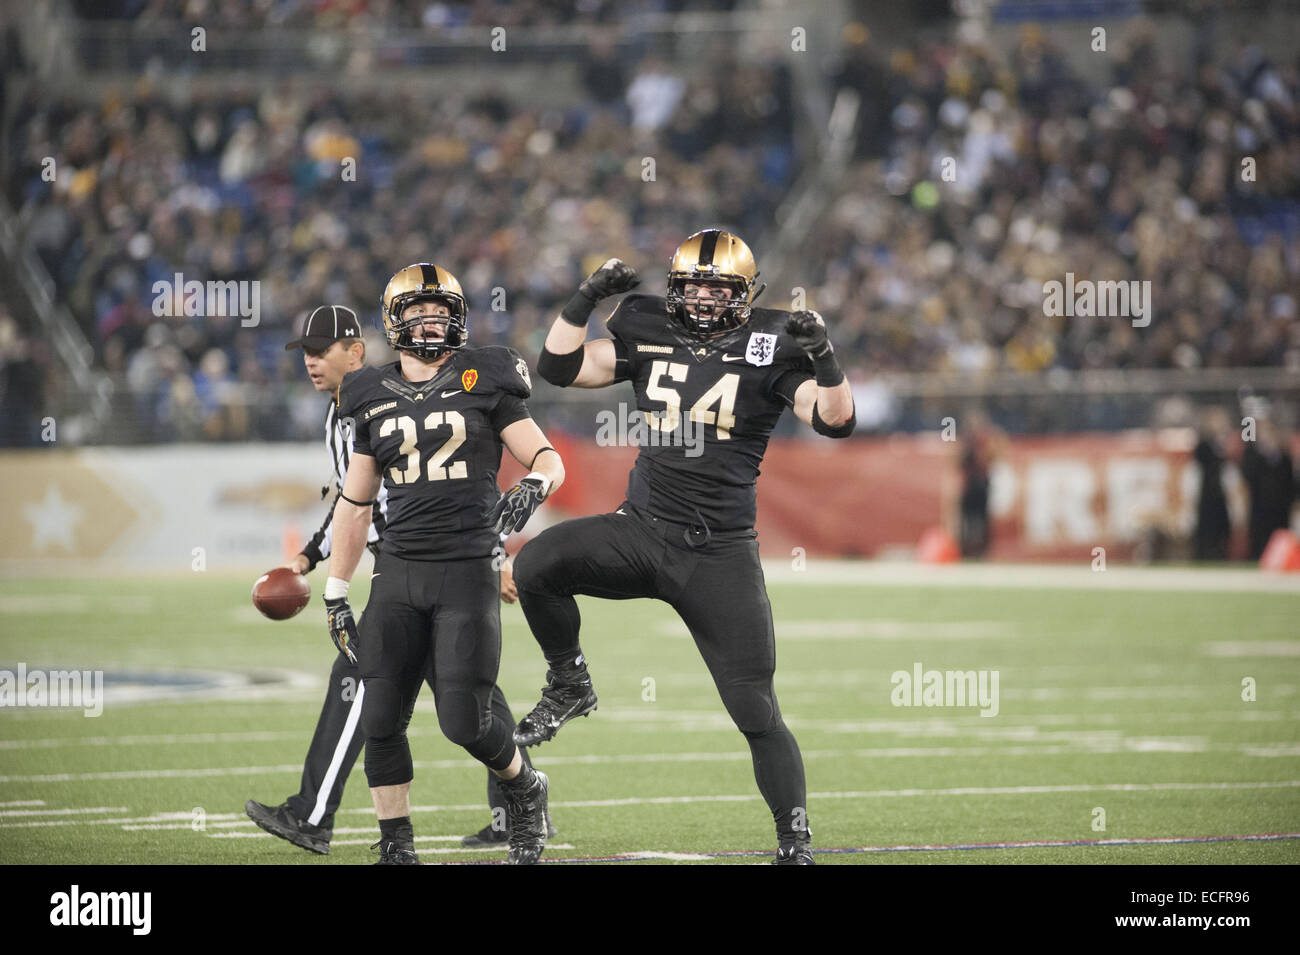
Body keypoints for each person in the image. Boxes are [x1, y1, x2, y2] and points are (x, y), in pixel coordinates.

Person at [511, 229, 856, 865]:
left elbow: (835, 420)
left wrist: (826, 357)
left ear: (744, 295)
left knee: (755, 709)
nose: (700, 298)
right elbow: (556, 369)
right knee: (535, 564)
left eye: (716, 288)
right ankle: (569, 681)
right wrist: (585, 298)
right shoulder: (644, 324)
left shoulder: (773, 342)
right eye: (692, 285)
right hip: (640, 529)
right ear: (674, 288)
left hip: (717, 552)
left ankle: (795, 841)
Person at [245, 305, 549, 855]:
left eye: (322, 351)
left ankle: (315, 815)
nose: (311, 362)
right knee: (416, 698)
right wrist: (316, 563)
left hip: (448, 562)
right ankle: (376, 826)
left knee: (460, 706)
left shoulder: (391, 398)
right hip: (399, 571)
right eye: (305, 353)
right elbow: (352, 502)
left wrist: (495, 551)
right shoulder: (352, 410)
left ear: (355, 351)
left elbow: (445, 490)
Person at [325, 264, 563, 864]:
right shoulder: (367, 393)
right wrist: (334, 592)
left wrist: (535, 482)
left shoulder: (486, 376)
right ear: (394, 321)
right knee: (380, 716)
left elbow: (546, 457)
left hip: (466, 568)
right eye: (418, 313)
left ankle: (524, 787)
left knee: (462, 719)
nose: (431, 322)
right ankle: (396, 846)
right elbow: (354, 506)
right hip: (398, 570)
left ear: (458, 318)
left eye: (441, 312)